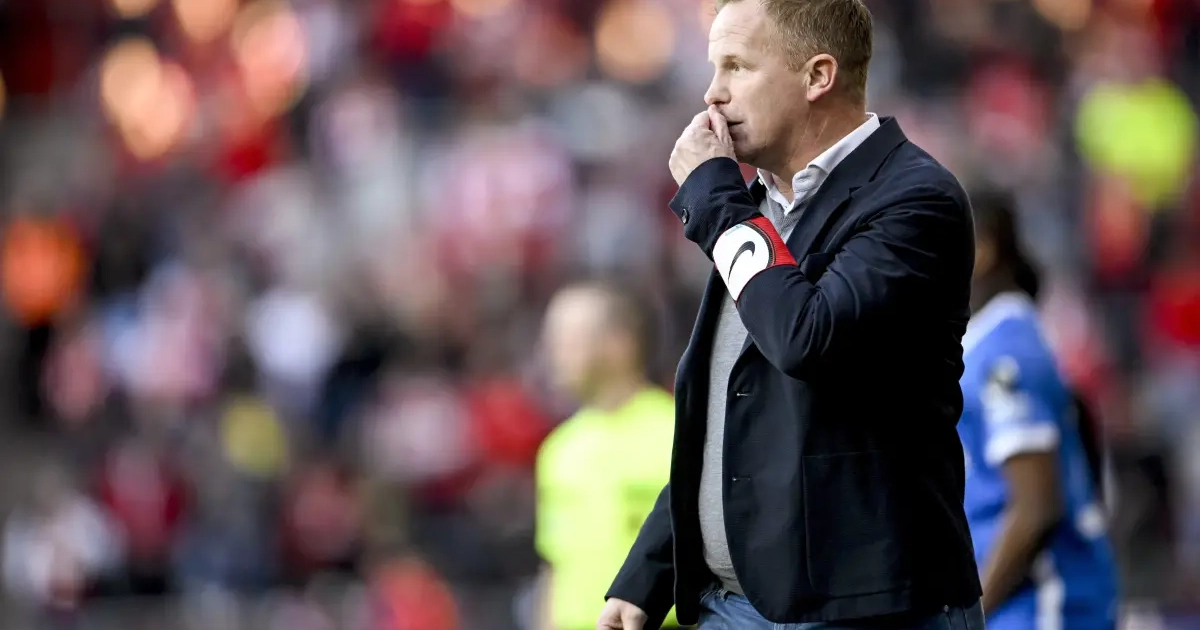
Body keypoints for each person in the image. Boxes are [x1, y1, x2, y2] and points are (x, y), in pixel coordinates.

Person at [598, 0, 983, 628]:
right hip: (730, 607)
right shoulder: (759, 208)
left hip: (870, 610)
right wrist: (652, 568)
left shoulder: (915, 199)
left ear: (817, 76)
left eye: (737, 66)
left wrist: (717, 204)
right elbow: (736, 413)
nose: (712, 93)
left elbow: (805, 339)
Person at [957, 189, 1120, 630]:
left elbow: (1035, 508)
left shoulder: (1005, 353)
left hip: (1044, 608)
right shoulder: (987, 343)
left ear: (982, 250)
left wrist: (971, 616)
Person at [535, 281, 680, 630]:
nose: (554, 354)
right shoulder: (559, 447)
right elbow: (553, 566)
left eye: (570, 340)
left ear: (620, 343)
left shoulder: (677, 433)